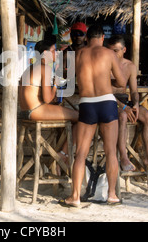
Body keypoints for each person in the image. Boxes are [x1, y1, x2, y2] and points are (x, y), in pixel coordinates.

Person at [59, 25, 126, 207]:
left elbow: (69, 78)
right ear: (103, 37)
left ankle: (75, 197)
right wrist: (106, 79)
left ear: (87, 38)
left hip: (87, 103)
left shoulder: (78, 54)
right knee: (111, 151)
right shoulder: (109, 54)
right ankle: (112, 194)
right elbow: (122, 83)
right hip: (107, 102)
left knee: (80, 153)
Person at [106, 35, 148, 173]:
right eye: (110, 51)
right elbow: (104, 91)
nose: (113, 54)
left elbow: (134, 91)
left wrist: (136, 104)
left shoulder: (130, 66)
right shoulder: (105, 65)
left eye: (116, 51)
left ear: (124, 50)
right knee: (123, 117)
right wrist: (124, 108)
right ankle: (124, 157)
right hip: (110, 100)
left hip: (125, 100)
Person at [19, 40, 78, 165]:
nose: (57, 53)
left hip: (25, 112)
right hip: (36, 110)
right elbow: (47, 99)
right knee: (81, 117)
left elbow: (36, 94)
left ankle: (58, 159)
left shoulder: (30, 68)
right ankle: (62, 155)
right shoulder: (44, 68)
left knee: (64, 124)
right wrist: (55, 85)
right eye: (54, 50)